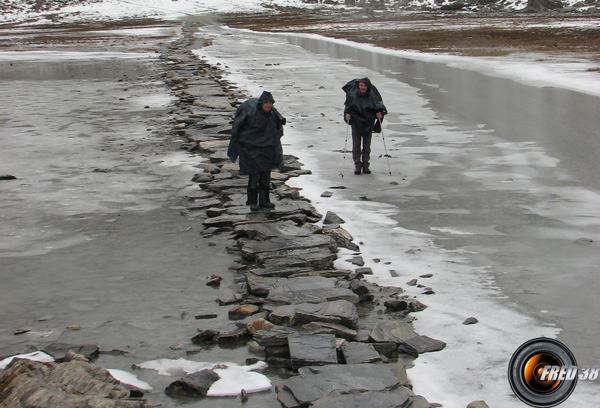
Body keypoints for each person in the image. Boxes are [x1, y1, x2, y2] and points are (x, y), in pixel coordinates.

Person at [227, 91, 286, 211]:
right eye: (266, 102)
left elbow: (278, 130)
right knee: (254, 175)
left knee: (265, 176)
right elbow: (239, 131)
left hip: (267, 149)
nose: (268, 105)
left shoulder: (273, 115)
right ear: (261, 103)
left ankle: (265, 201)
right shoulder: (251, 113)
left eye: (270, 103)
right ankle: (252, 202)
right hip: (252, 150)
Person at [342, 77, 387, 175]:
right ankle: (357, 166)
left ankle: (366, 165)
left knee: (367, 147)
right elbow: (348, 108)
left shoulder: (373, 96)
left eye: (365, 86)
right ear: (358, 86)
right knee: (356, 146)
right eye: (361, 85)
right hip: (356, 123)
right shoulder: (352, 96)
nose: (363, 87)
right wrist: (347, 116)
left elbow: (378, 108)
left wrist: (379, 115)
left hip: (368, 123)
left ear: (368, 87)